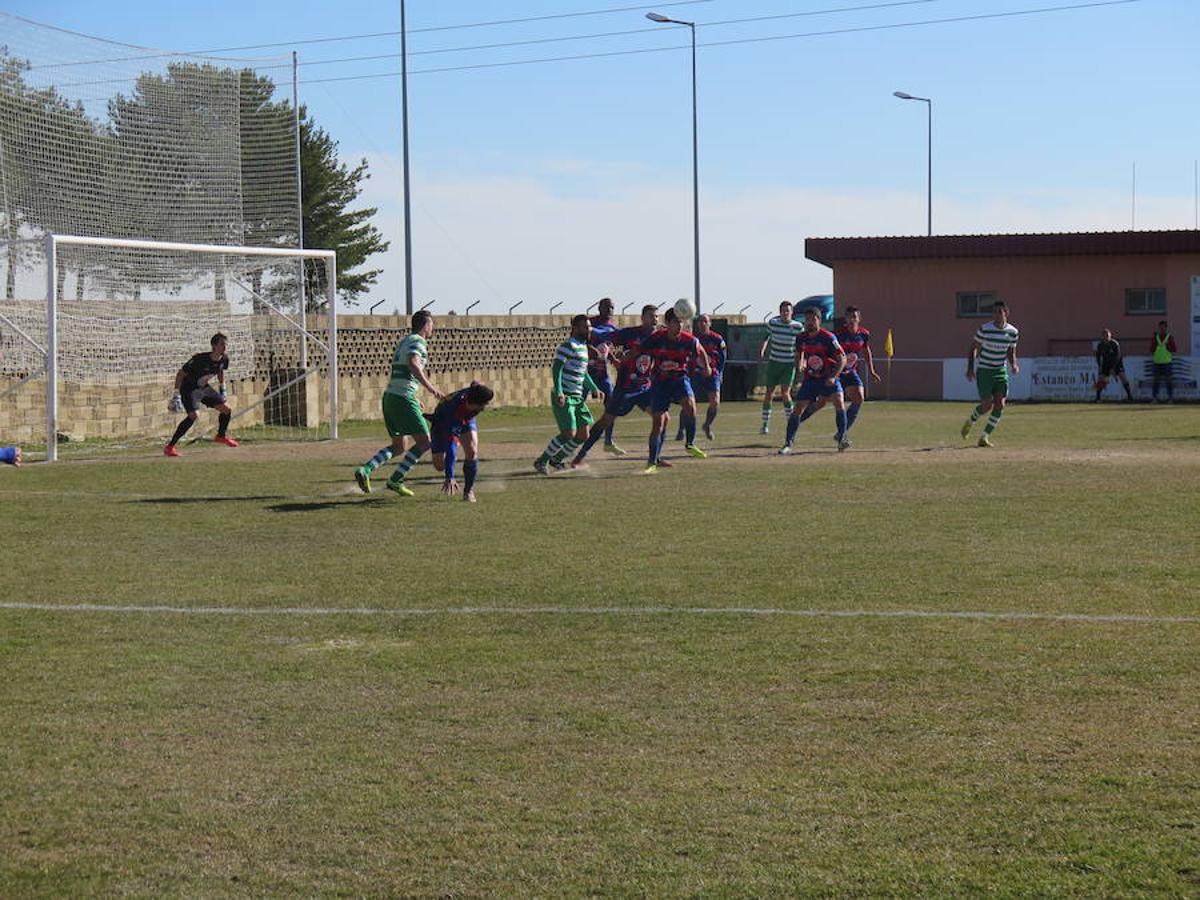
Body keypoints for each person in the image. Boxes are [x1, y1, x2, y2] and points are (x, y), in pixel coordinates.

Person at [354, 310, 444, 496]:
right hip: (403, 398)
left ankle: (366, 469)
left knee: (399, 446)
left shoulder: (404, 340)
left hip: (391, 396)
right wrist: (431, 388)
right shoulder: (418, 341)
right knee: (425, 442)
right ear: (426, 325)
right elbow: (413, 363)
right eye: (432, 324)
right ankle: (396, 480)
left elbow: (403, 371)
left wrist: (415, 396)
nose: (433, 327)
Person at [570, 305, 660, 468]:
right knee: (606, 420)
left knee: (661, 418)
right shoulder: (630, 333)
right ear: (643, 318)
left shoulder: (659, 336)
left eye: (656, 316)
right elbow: (607, 335)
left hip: (645, 388)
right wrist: (589, 329)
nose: (655, 319)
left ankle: (654, 459)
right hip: (625, 388)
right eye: (651, 316)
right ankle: (580, 455)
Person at [641, 307, 711, 473]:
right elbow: (640, 350)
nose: (679, 326)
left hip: (680, 380)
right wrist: (625, 360)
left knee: (691, 406)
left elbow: (701, 352)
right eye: (675, 322)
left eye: (681, 322)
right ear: (667, 323)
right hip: (660, 384)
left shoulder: (689, 340)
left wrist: (707, 367)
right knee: (658, 423)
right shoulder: (657, 338)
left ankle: (690, 444)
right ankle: (651, 463)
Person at [534, 314, 601, 474]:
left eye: (589, 326)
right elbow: (557, 369)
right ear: (576, 328)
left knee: (583, 435)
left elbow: (582, 372)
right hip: (565, 395)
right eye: (585, 326)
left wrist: (594, 388)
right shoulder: (568, 345)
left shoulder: (583, 347)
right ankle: (541, 461)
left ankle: (556, 459)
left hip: (577, 397)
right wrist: (559, 392)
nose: (589, 329)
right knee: (568, 433)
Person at [778, 306, 847, 454]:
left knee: (839, 401)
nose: (809, 322)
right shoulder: (801, 337)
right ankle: (788, 443)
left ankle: (842, 438)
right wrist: (799, 365)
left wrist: (834, 377)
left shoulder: (828, 337)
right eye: (807, 319)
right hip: (811, 379)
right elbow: (799, 355)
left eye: (812, 319)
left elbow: (842, 358)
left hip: (828, 377)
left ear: (819, 320)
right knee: (797, 408)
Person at [165, 332, 239, 457]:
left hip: (204, 388)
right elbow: (180, 374)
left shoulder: (224, 359)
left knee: (226, 409)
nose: (225, 347)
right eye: (222, 344)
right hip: (189, 388)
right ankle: (170, 447)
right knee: (194, 415)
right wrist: (176, 394)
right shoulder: (199, 359)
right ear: (214, 346)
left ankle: (221, 436)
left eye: (226, 344)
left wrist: (223, 388)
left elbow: (220, 370)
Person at [961, 301, 1019, 447]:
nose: (997, 315)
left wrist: (1014, 365)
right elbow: (973, 349)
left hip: (1000, 371)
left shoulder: (1013, 332)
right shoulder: (985, 329)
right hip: (985, 371)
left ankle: (984, 437)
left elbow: (1011, 351)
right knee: (987, 406)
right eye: (994, 312)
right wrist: (970, 368)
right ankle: (970, 421)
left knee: (1000, 404)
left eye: (1000, 312)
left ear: (1006, 313)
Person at [427, 382, 494, 503]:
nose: (486, 407)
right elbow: (450, 448)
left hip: (466, 418)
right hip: (442, 424)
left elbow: (475, 383)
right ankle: (455, 448)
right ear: (474, 403)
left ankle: (468, 491)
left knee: (472, 451)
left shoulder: (473, 394)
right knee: (439, 466)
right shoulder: (452, 412)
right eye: (484, 404)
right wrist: (450, 476)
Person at [835, 306, 882, 446]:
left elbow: (866, 351)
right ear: (845, 319)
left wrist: (872, 370)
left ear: (859, 319)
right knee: (836, 403)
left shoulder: (864, 334)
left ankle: (842, 433)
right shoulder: (838, 334)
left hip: (850, 372)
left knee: (859, 398)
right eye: (849, 317)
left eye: (854, 317)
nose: (851, 320)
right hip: (836, 372)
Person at [758, 301, 805, 434]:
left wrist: (802, 361)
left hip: (789, 364)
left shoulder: (798, 327)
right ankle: (765, 425)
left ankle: (791, 422)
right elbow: (766, 337)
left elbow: (802, 346)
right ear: (779, 312)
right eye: (783, 311)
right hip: (774, 362)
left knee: (785, 393)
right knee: (769, 393)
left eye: (788, 311)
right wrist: (762, 350)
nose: (785, 313)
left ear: (792, 312)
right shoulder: (773, 323)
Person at [586, 297, 623, 454]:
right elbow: (578, 339)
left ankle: (608, 441)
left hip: (602, 372)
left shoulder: (612, 327)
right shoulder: (590, 323)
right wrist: (589, 348)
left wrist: (614, 359)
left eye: (612, 307)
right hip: (586, 371)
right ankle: (573, 437)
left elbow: (606, 347)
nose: (610, 310)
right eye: (606, 307)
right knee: (577, 403)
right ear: (599, 308)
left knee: (612, 403)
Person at [690, 313, 726, 441]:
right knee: (688, 401)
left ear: (710, 323)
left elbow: (723, 358)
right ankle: (682, 429)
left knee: (715, 401)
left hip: (712, 374)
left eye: (705, 321)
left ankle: (707, 425)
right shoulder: (693, 339)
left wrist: (719, 373)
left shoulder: (717, 339)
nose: (702, 323)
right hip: (696, 374)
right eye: (700, 321)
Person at [1094, 327, 1133, 402]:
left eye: (1108, 336)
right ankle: (1098, 398)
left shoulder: (1115, 343)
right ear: (1102, 336)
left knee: (1123, 377)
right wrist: (1100, 366)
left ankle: (1130, 397)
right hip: (1106, 364)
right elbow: (1098, 356)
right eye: (1104, 336)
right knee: (1101, 379)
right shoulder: (1100, 345)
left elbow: (1118, 356)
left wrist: (1113, 368)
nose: (1106, 338)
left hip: (1117, 363)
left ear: (1110, 336)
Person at [1149, 320, 1177, 403]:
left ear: (1166, 328)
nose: (1162, 329)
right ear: (1159, 328)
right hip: (1157, 362)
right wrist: (1155, 345)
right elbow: (1151, 349)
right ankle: (1154, 398)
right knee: (1155, 382)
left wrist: (1168, 345)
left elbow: (1174, 349)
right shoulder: (1155, 337)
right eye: (1160, 327)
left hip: (1167, 362)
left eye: (1163, 327)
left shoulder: (1170, 337)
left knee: (1168, 381)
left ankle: (1170, 398)